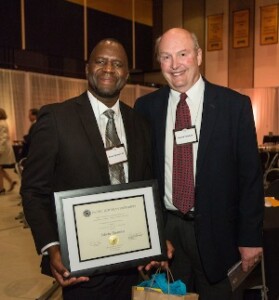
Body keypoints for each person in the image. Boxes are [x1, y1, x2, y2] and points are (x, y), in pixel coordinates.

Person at [21, 38, 164, 300]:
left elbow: (148, 185)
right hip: (82, 270)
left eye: (117, 64)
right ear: (87, 69)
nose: (109, 68)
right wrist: (52, 248)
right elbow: (32, 192)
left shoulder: (140, 124)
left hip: (133, 265)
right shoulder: (56, 119)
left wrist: (156, 238)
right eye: (101, 61)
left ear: (126, 74)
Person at [134, 28, 264, 300]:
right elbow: (142, 175)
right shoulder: (146, 108)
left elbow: (249, 178)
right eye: (166, 57)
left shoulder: (234, 106)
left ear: (199, 56)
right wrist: (148, 235)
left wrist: (250, 238)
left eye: (183, 54)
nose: (175, 64)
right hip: (167, 231)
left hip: (220, 233)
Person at [0, 108, 17, 194]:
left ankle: (2, 187)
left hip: (2, 148)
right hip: (3, 147)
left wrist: (0, 150)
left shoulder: (1, 124)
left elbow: (3, 138)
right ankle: (8, 183)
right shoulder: (3, 123)